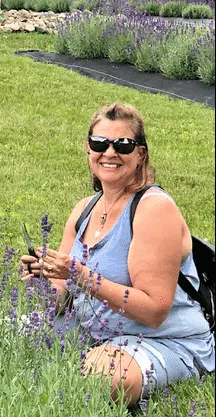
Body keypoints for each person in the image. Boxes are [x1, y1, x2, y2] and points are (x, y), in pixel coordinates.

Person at [21, 103, 214, 405]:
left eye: (123, 144)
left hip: (159, 338)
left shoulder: (153, 209)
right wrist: (43, 281)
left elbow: (154, 312)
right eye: (99, 143)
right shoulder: (84, 209)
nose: (109, 153)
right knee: (5, 333)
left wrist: (80, 274)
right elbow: (59, 297)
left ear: (140, 154)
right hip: (93, 330)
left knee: (105, 376)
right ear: (88, 150)